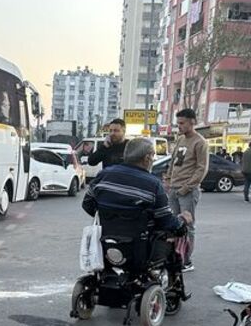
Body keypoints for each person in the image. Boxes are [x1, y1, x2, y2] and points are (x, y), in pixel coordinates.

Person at [82, 138, 191, 266]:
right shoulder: (153, 184)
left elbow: (87, 204)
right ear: (147, 157)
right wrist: (182, 221)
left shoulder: (103, 175)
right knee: (173, 240)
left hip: (105, 244)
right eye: (152, 155)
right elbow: (166, 220)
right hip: (139, 249)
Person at [164, 108, 208, 272]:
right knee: (174, 225)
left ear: (192, 122)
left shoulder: (200, 142)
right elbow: (173, 162)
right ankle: (175, 257)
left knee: (187, 227)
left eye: (182, 123)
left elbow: (201, 169)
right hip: (173, 189)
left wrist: (185, 188)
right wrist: (168, 180)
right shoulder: (180, 140)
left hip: (187, 191)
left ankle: (186, 261)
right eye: (178, 123)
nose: (179, 127)